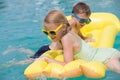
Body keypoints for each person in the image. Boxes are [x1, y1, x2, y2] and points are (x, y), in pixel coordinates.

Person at [37, 7, 120, 74]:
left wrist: (48, 59)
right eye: (46, 32)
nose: (50, 35)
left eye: (52, 32)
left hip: (106, 59)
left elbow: (67, 64)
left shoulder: (65, 38)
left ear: (62, 28)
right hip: (106, 52)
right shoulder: (68, 32)